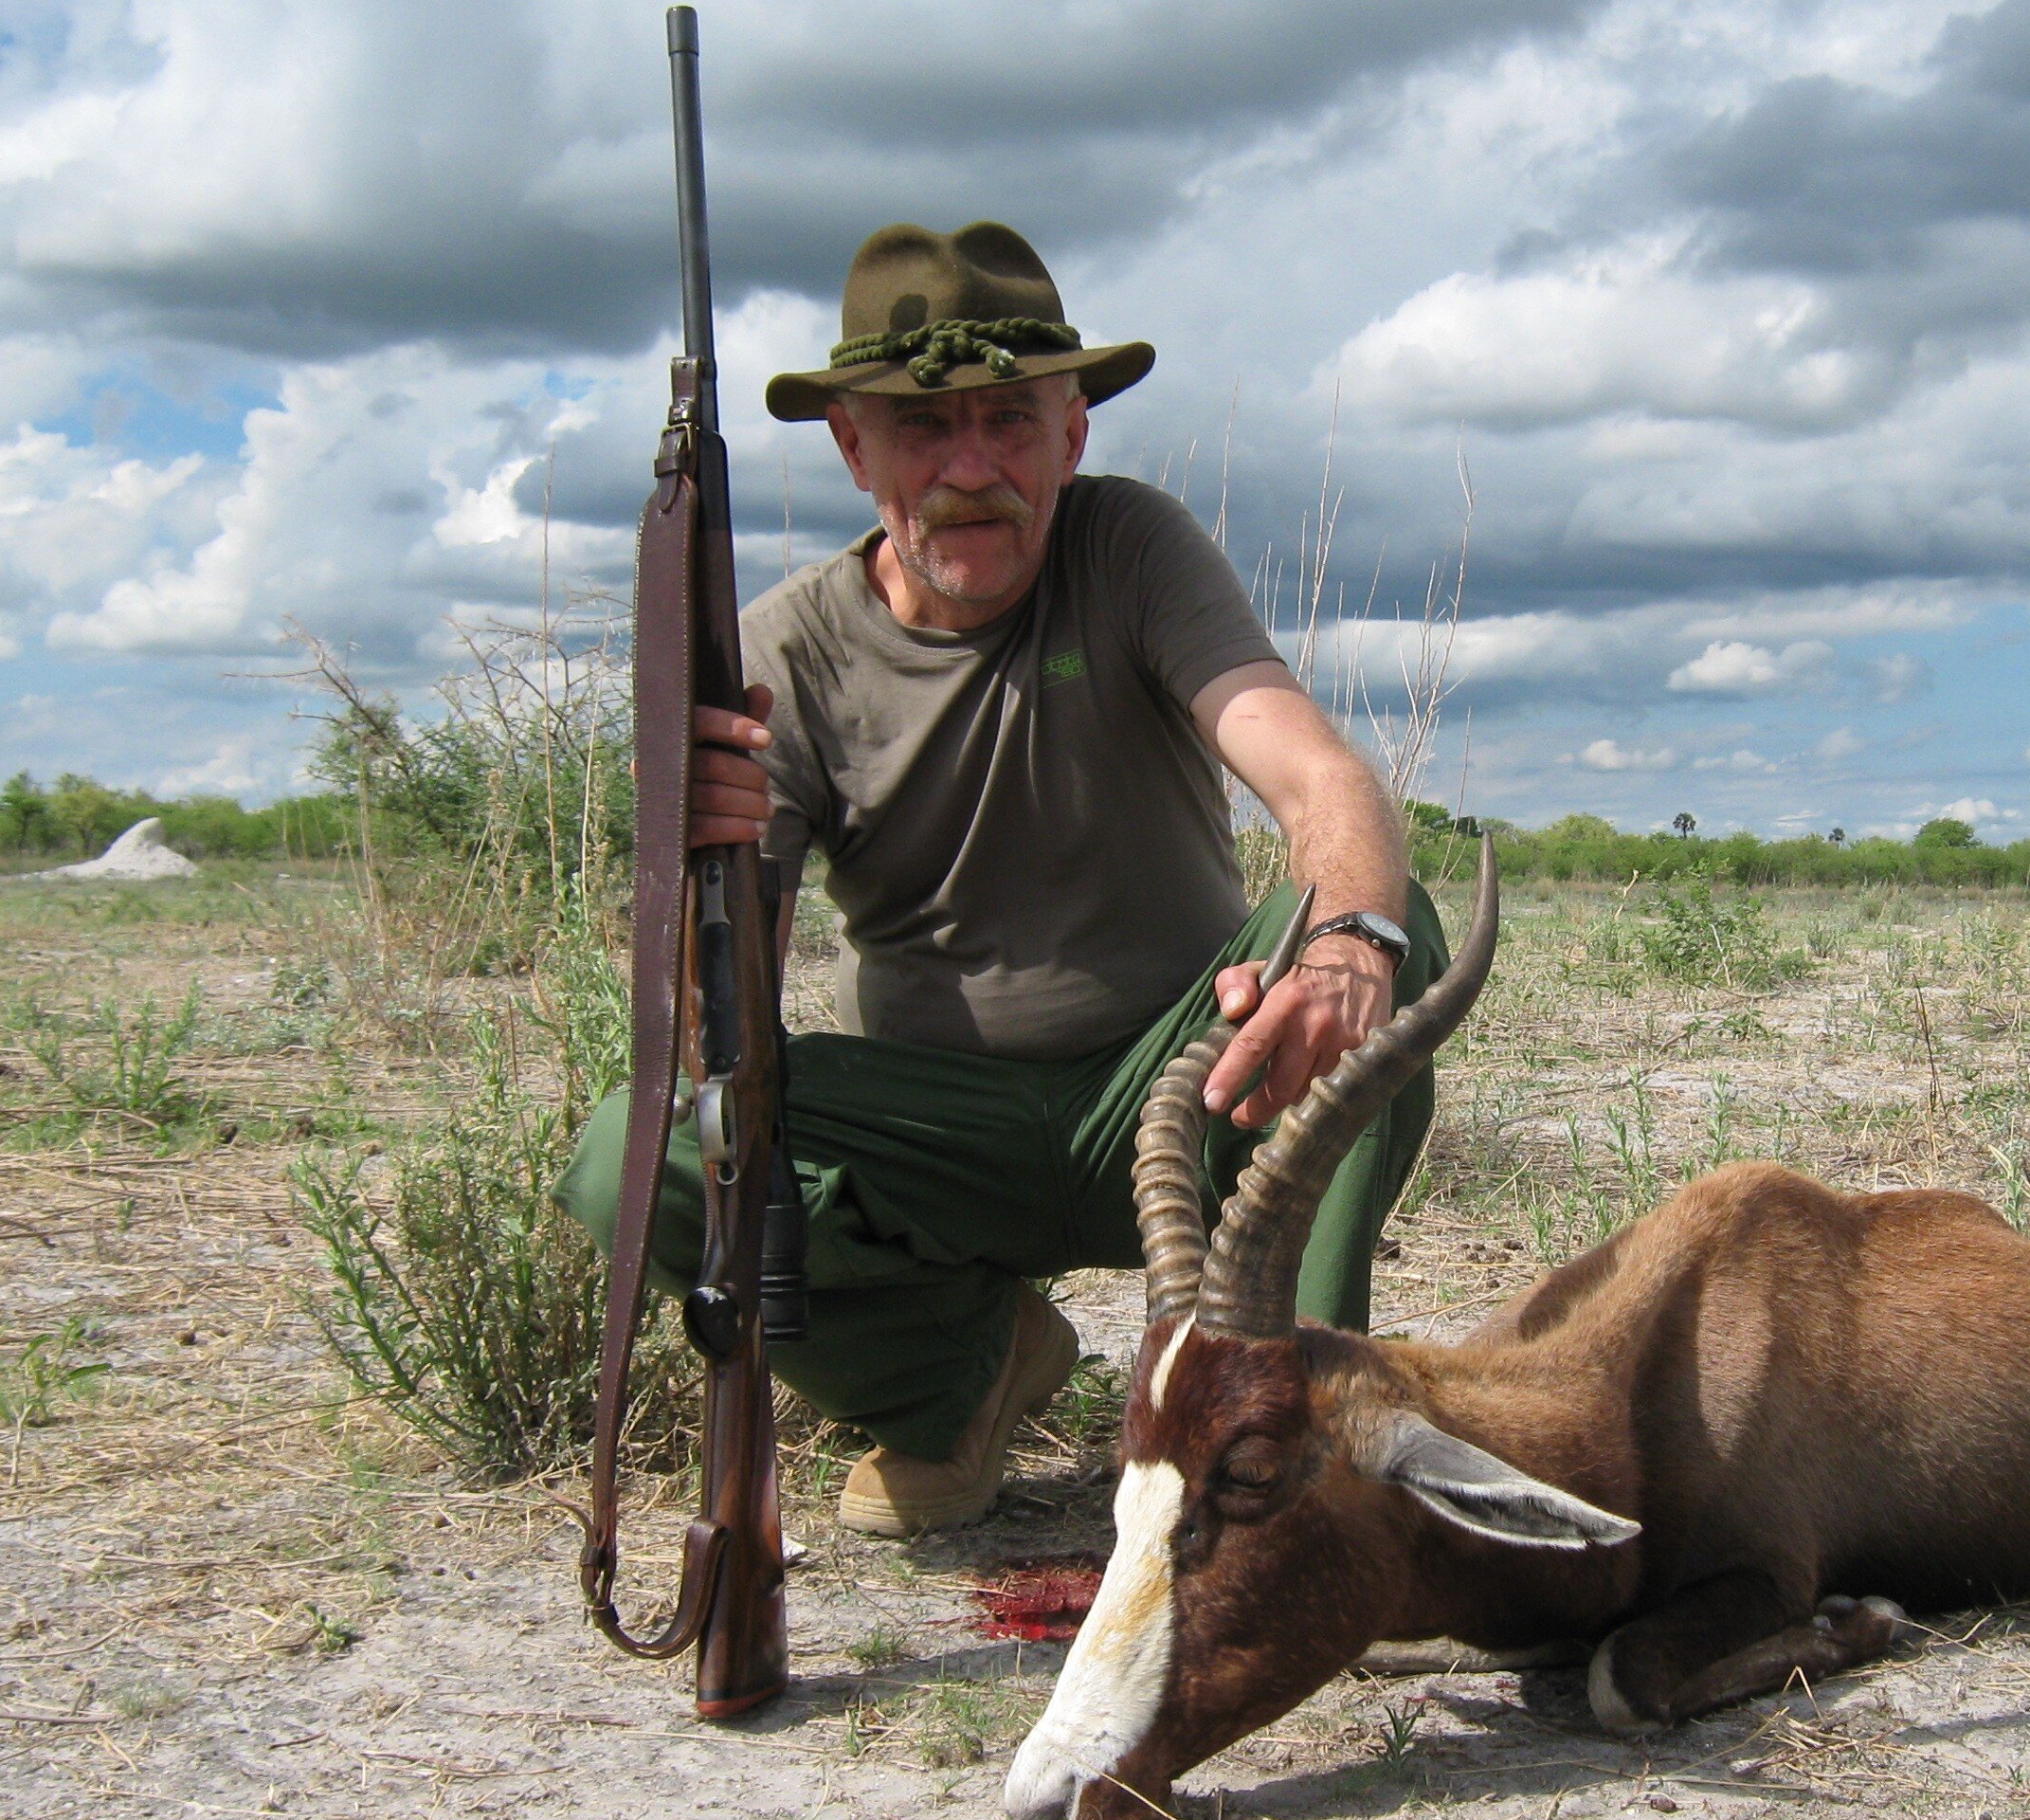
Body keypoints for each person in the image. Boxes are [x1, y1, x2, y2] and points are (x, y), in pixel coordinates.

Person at [556, 220, 1446, 1537]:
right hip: (943, 1140)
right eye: (923, 430)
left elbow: (1322, 783)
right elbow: (710, 1027)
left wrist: (1346, 944)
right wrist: (699, 860)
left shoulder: (1129, 547)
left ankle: (1287, 1445)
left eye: (1009, 421)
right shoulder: (787, 650)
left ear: (1072, 433)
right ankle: (958, 1382)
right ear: (856, 448)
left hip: (1183, 1093)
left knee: (1383, 928)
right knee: (637, 1151)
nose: (970, 469)